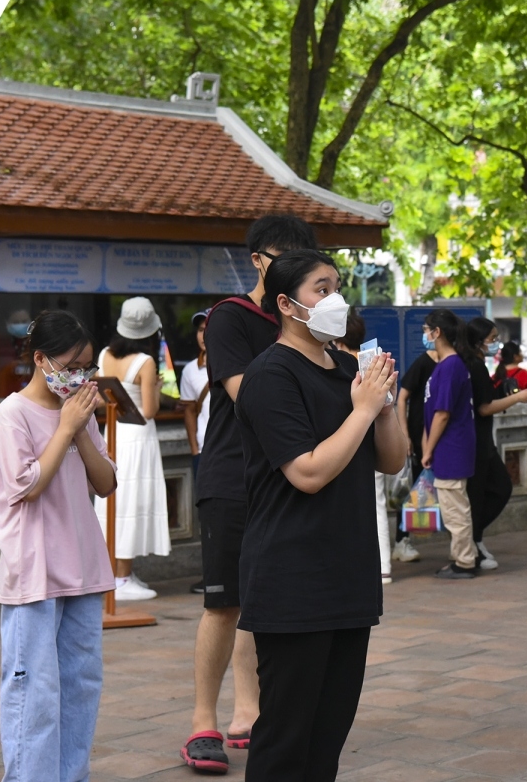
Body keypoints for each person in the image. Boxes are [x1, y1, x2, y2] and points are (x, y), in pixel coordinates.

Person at [234, 249, 405, 781]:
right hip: (293, 576)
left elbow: (391, 459)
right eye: (321, 289)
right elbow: (306, 472)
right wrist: (362, 410)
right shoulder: (271, 375)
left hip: (346, 572)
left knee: (328, 735)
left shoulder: (345, 370)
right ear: (287, 304)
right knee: (286, 738)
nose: (335, 299)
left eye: (337, 286)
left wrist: (386, 406)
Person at [184, 214, 318, 774]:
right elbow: (250, 397)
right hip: (232, 478)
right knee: (224, 602)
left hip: (286, 479)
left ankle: (249, 713)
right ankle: (200, 723)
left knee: (265, 601)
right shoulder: (229, 318)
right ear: (259, 260)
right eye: (286, 257)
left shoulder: (312, 320)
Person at [0, 310, 117, 782]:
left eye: (87, 366)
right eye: (71, 365)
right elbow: (26, 485)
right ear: (40, 359)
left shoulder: (79, 411)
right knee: (33, 691)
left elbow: (105, 483)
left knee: (81, 686)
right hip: (34, 572)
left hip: (82, 566)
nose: (80, 376)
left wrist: (81, 427)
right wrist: (66, 426)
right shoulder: (12, 414)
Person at [94, 297, 171, 602]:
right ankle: (122, 577)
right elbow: (150, 409)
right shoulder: (146, 362)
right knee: (133, 501)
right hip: (138, 437)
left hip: (113, 432)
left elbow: (101, 399)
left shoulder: (104, 355)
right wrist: (154, 387)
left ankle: (115, 573)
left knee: (115, 502)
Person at [463, 318, 527, 570]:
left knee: (493, 490)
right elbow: (484, 408)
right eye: (492, 338)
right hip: (476, 443)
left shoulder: (475, 364)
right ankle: (471, 542)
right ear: (479, 340)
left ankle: (473, 539)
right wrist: (518, 398)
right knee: (490, 490)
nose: (496, 344)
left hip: (481, 441)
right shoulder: (474, 365)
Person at [334, 308, 395, 585]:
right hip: (374, 441)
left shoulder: (338, 365)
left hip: (347, 443)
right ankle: (383, 566)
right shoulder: (372, 363)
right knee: (377, 503)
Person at [420, 309, 479, 580]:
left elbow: (442, 414)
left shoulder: (451, 366)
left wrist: (428, 449)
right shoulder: (446, 366)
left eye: (426, 330)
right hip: (449, 446)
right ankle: (460, 557)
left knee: (455, 509)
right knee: (453, 506)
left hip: (451, 446)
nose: (425, 335)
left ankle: (465, 561)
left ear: (437, 332)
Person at [391, 338, 439, 563]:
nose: (426, 336)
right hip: (419, 439)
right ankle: (402, 540)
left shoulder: (449, 363)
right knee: (413, 489)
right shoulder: (422, 363)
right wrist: (405, 433)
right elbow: (402, 398)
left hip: (437, 436)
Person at [180, 309, 211, 478]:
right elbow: (189, 411)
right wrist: (195, 450)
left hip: (234, 450)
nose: (203, 335)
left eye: (208, 328)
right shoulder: (190, 370)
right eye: (200, 330)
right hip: (203, 449)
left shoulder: (236, 365)